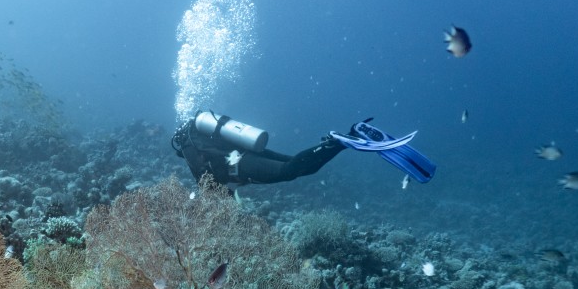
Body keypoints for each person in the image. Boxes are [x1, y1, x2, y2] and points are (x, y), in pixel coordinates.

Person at [172, 110, 435, 186]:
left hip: (238, 164)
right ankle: (343, 141)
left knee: (289, 170)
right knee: (299, 166)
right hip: (245, 153)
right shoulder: (200, 138)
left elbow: (210, 186)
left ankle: (339, 141)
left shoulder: (190, 151)